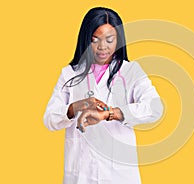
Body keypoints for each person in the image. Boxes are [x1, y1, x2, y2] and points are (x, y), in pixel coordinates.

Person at [43, 7, 163, 184]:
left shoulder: (130, 71)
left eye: (109, 40)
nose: (102, 47)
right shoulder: (69, 74)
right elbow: (49, 119)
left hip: (119, 175)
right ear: (86, 40)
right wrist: (75, 107)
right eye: (95, 40)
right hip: (80, 172)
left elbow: (155, 108)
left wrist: (110, 114)